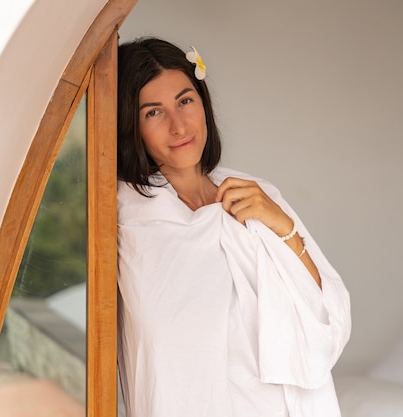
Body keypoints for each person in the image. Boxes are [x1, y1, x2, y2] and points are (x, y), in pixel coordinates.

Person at [116, 37, 351, 417]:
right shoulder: (127, 214)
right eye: (153, 112)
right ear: (131, 126)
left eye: (185, 101)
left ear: (203, 102)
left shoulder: (255, 193)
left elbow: (325, 316)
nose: (178, 126)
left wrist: (282, 225)